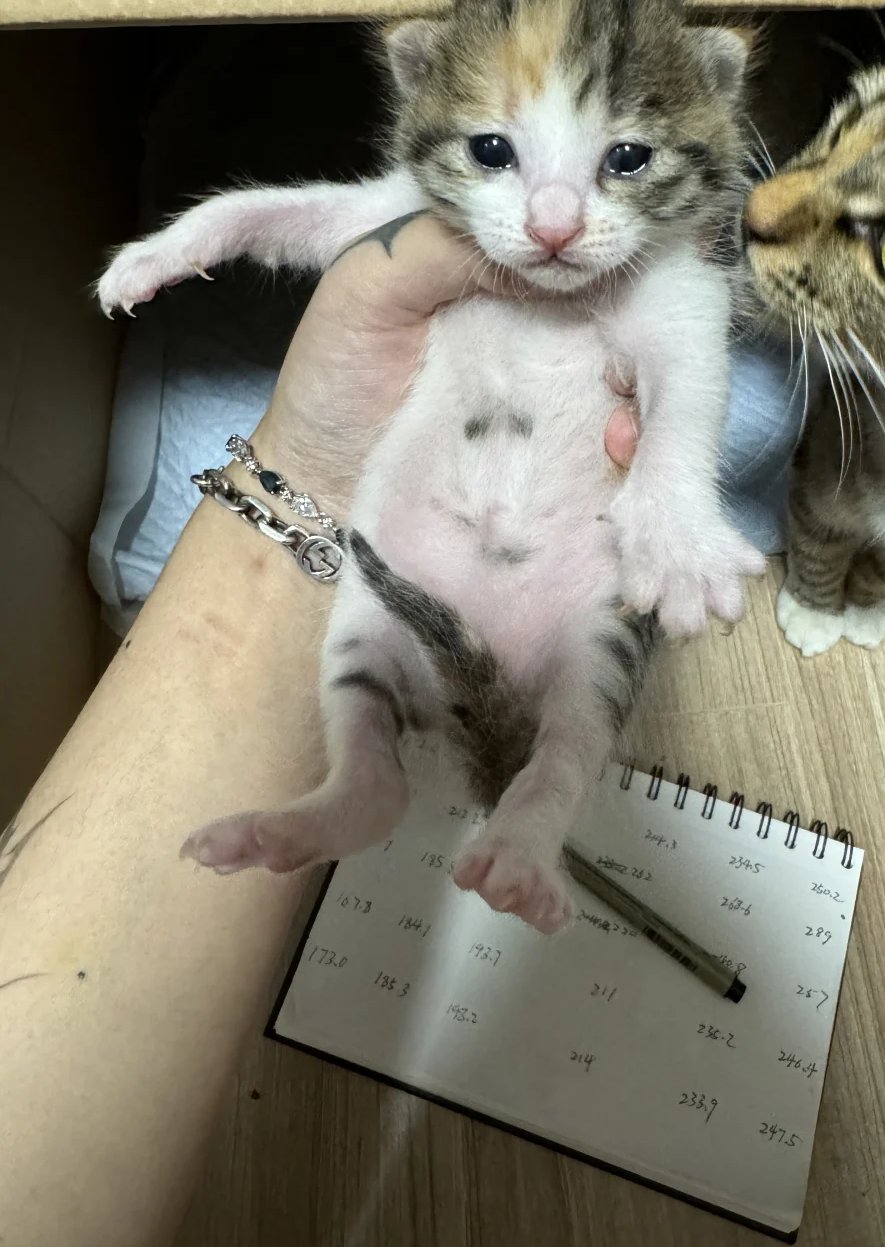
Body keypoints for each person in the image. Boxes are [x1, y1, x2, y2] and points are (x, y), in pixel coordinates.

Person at [0, 215, 640, 1247]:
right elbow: (328, 219)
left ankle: (534, 820)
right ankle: (363, 782)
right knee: (370, 635)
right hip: (409, 512)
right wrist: (201, 245)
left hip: (545, 527)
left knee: (587, 667)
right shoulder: (451, 209)